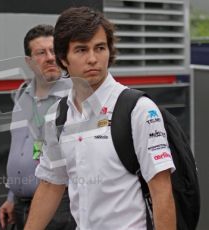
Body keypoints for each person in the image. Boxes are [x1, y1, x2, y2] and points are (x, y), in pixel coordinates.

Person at [24, 7, 176, 230]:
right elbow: (50, 184)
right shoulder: (57, 116)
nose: (93, 59)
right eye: (81, 50)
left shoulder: (139, 110)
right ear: (63, 59)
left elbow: (162, 193)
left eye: (100, 48)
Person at [0, 24, 75, 230]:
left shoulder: (74, 97)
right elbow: (20, 149)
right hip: (20, 205)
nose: (50, 57)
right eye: (41, 52)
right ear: (29, 61)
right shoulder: (22, 95)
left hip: (57, 205)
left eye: (54, 51)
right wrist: (12, 197)